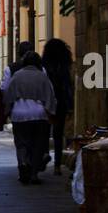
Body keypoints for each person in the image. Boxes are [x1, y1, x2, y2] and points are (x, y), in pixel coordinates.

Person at [4, 49, 56, 184]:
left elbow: (8, 95)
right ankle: (34, 175)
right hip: (39, 114)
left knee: (21, 143)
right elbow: (50, 96)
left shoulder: (17, 76)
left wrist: (8, 111)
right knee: (37, 145)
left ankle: (22, 165)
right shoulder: (42, 77)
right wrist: (51, 113)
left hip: (19, 114)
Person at [42, 37, 74, 175]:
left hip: (47, 101)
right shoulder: (65, 66)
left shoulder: (45, 66)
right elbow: (68, 86)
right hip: (60, 101)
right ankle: (57, 165)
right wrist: (70, 104)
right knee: (58, 134)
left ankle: (44, 154)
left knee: (44, 131)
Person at [0, 41, 33, 133]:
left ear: (18, 53)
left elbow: (4, 89)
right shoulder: (41, 69)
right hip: (39, 113)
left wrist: (9, 105)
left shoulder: (11, 68)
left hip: (18, 111)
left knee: (20, 139)